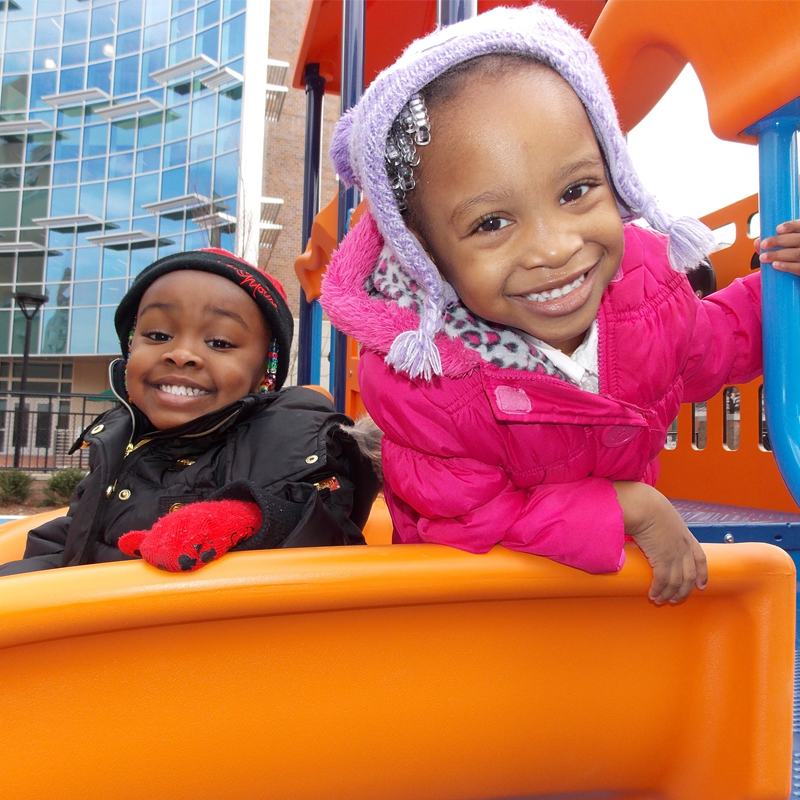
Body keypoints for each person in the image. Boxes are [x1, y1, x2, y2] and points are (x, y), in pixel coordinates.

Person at [320, 3, 800, 605]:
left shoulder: (643, 290)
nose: (555, 248)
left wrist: (786, 284)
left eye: (576, 190)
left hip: (603, 586)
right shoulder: (425, 382)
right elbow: (463, 521)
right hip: (474, 610)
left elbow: (722, 340)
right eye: (492, 222)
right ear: (426, 256)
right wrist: (628, 507)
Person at [0, 248, 379, 577]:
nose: (180, 354)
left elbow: (331, 537)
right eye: (158, 336)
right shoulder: (121, 439)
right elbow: (71, 543)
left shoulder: (293, 438)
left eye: (219, 342)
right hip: (106, 641)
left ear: (264, 372)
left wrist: (254, 520)